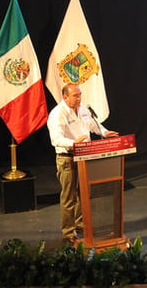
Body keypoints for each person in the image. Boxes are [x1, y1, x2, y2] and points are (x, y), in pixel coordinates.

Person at [48, 84, 119, 243]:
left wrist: (105, 132)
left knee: (84, 193)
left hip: (85, 155)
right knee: (69, 197)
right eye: (75, 95)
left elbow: (94, 124)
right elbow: (56, 139)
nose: (79, 98)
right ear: (65, 97)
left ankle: (80, 224)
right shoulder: (57, 114)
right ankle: (68, 232)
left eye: (80, 95)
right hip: (67, 157)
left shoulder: (83, 109)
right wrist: (74, 143)